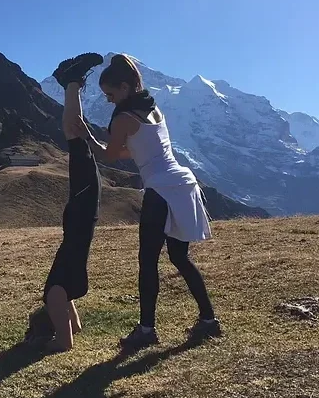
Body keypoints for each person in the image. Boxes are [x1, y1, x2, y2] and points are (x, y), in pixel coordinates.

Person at [73, 54, 221, 350]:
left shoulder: (123, 118)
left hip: (160, 189)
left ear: (124, 87)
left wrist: (86, 137)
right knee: (180, 257)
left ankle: (146, 329)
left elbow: (111, 155)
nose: (109, 101)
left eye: (111, 95)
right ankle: (208, 320)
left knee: (148, 261)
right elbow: (142, 151)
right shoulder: (153, 109)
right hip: (183, 183)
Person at [35, 52, 103, 352]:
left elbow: (73, 329)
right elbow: (68, 334)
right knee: (75, 136)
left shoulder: (60, 294)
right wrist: (58, 339)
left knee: (76, 137)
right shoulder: (55, 294)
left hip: (82, 217)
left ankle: (71, 81)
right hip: (79, 213)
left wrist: (56, 335)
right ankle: (70, 82)